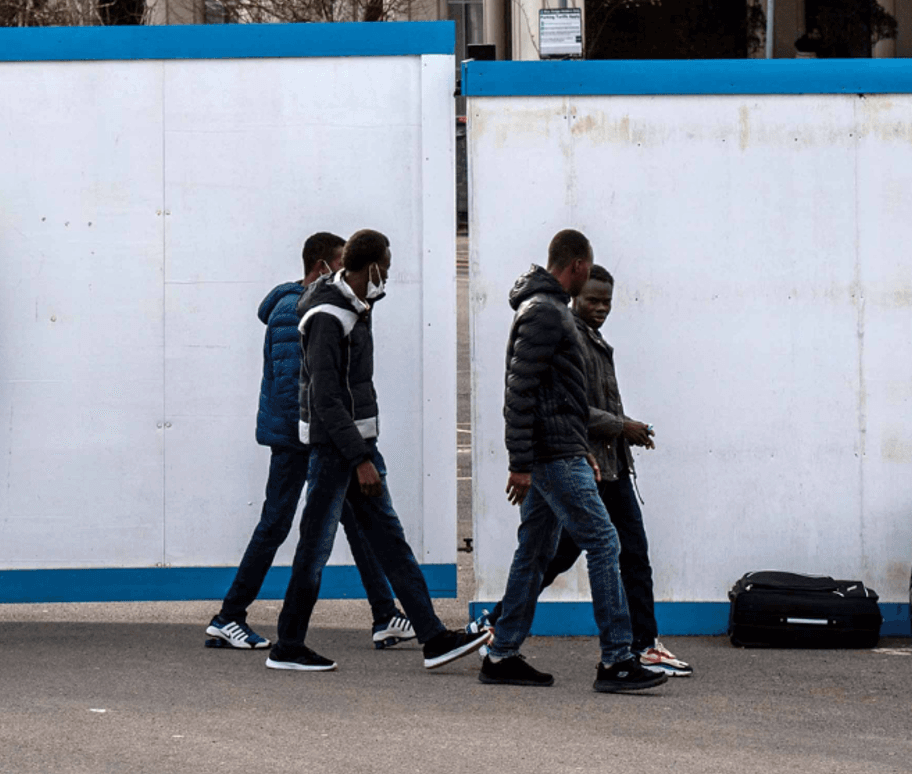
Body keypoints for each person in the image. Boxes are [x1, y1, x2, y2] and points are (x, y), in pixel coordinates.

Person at [266, 229, 488, 673]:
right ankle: (288, 645)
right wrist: (360, 459)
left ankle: (433, 637)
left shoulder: (351, 306)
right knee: (316, 547)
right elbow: (327, 398)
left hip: (352, 448)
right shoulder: (330, 317)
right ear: (371, 267)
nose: (389, 274)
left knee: (390, 542)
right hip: (339, 453)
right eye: (386, 266)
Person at [204, 232, 411, 653]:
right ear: (320, 267)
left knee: (356, 521)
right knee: (276, 525)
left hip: (315, 437)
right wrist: (318, 440)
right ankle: (228, 617)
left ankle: (385, 613)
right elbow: (295, 388)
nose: (346, 275)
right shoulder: (291, 310)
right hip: (297, 439)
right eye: (339, 265)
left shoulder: (316, 305)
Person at [481, 230, 667, 695]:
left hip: (559, 450)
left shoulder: (547, 310)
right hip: (551, 457)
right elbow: (519, 393)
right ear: (579, 266)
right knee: (606, 543)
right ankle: (617, 660)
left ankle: (502, 653)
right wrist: (520, 463)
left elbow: (554, 396)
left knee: (536, 551)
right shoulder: (545, 313)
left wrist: (577, 445)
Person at [537, 267, 691, 677]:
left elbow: (595, 406)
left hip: (614, 468)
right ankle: (499, 624)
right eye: (593, 300)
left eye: (607, 301)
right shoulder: (569, 338)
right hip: (587, 469)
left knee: (633, 556)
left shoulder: (594, 339)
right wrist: (623, 426)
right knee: (558, 557)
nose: (602, 308)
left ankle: (644, 645)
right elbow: (573, 409)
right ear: (575, 297)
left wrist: (628, 430)